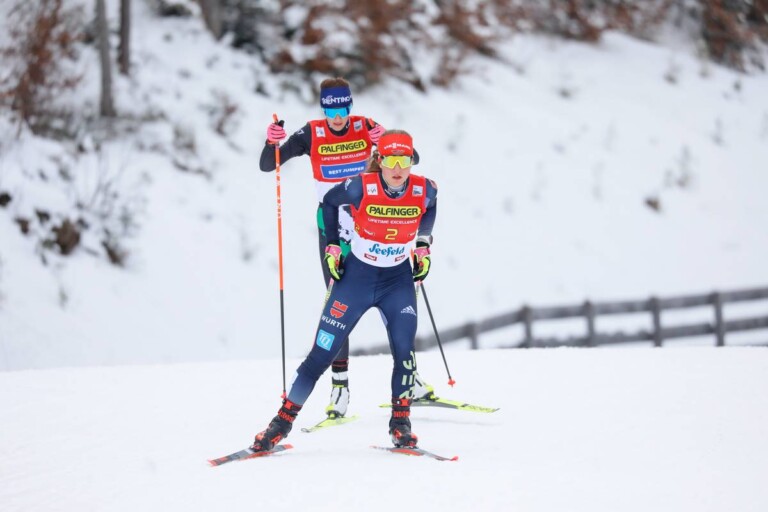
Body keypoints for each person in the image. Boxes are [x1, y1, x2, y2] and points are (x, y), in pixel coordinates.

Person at [259, 78, 435, 420]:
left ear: (350, 105)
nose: (337, 116)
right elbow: (269, 164)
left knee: (400, 302)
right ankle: (340, 387)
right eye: (330, 109)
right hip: (337, 233)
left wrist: (382, 137)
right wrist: (272, 141)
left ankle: (408, 378)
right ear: (322, 107)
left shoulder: (365, 127)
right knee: (336, 306)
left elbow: (407, 158)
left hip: (380, 226)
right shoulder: (311, 134)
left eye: (342, 108)